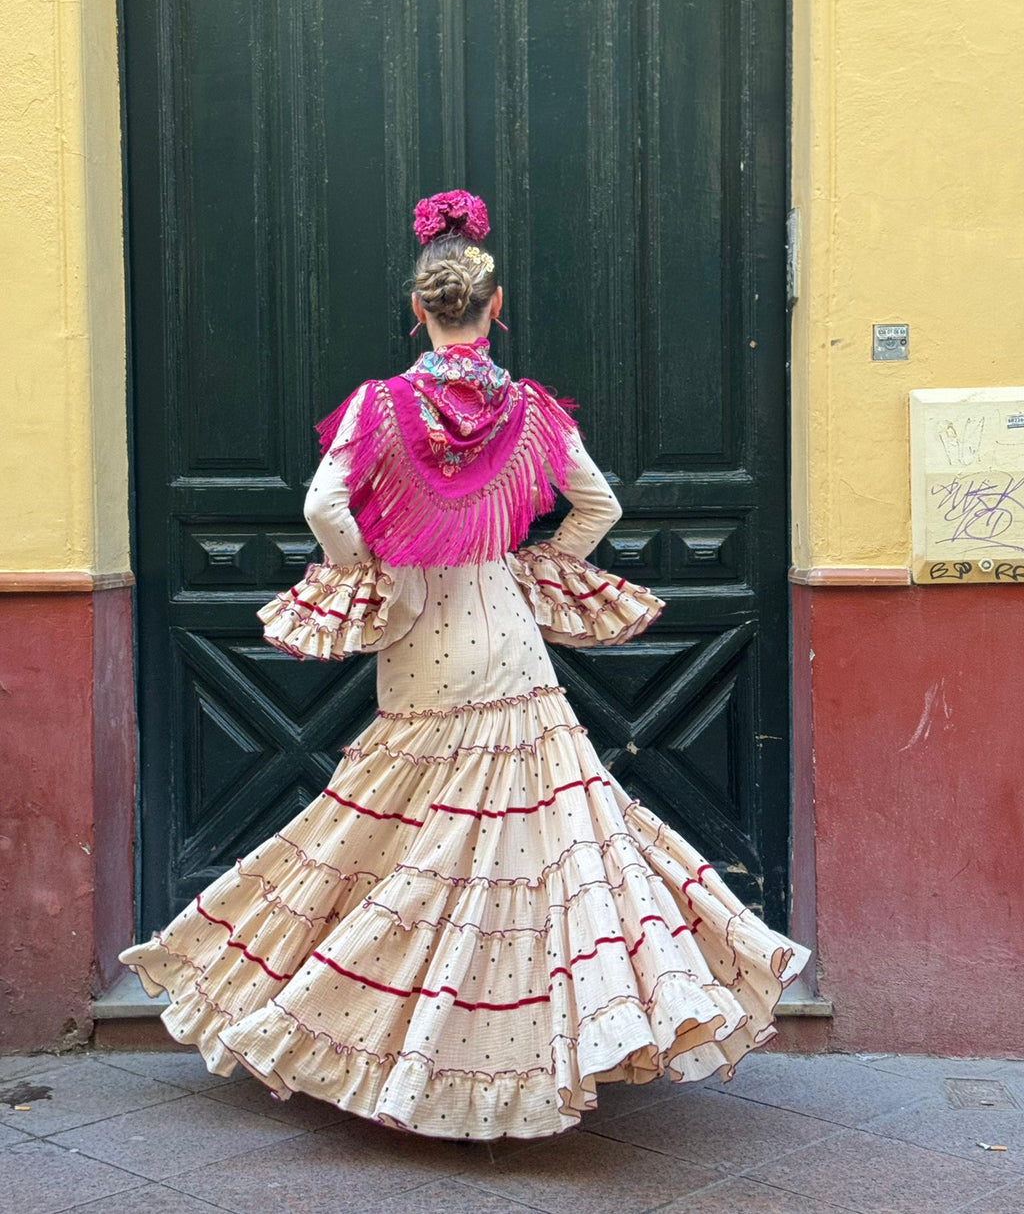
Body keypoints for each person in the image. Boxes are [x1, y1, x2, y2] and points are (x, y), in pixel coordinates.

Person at [119, 189, 811, 1140]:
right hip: (507, 633)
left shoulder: (381, 405)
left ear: (419, 311)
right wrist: (541, 561)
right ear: (496, 305)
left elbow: (325, 506)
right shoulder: (528, 411)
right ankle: (521, 1055)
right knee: (540, 839)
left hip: (418, 637)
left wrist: (373, 567)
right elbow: (599, 503)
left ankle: (386, 1040)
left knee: (407, 828)